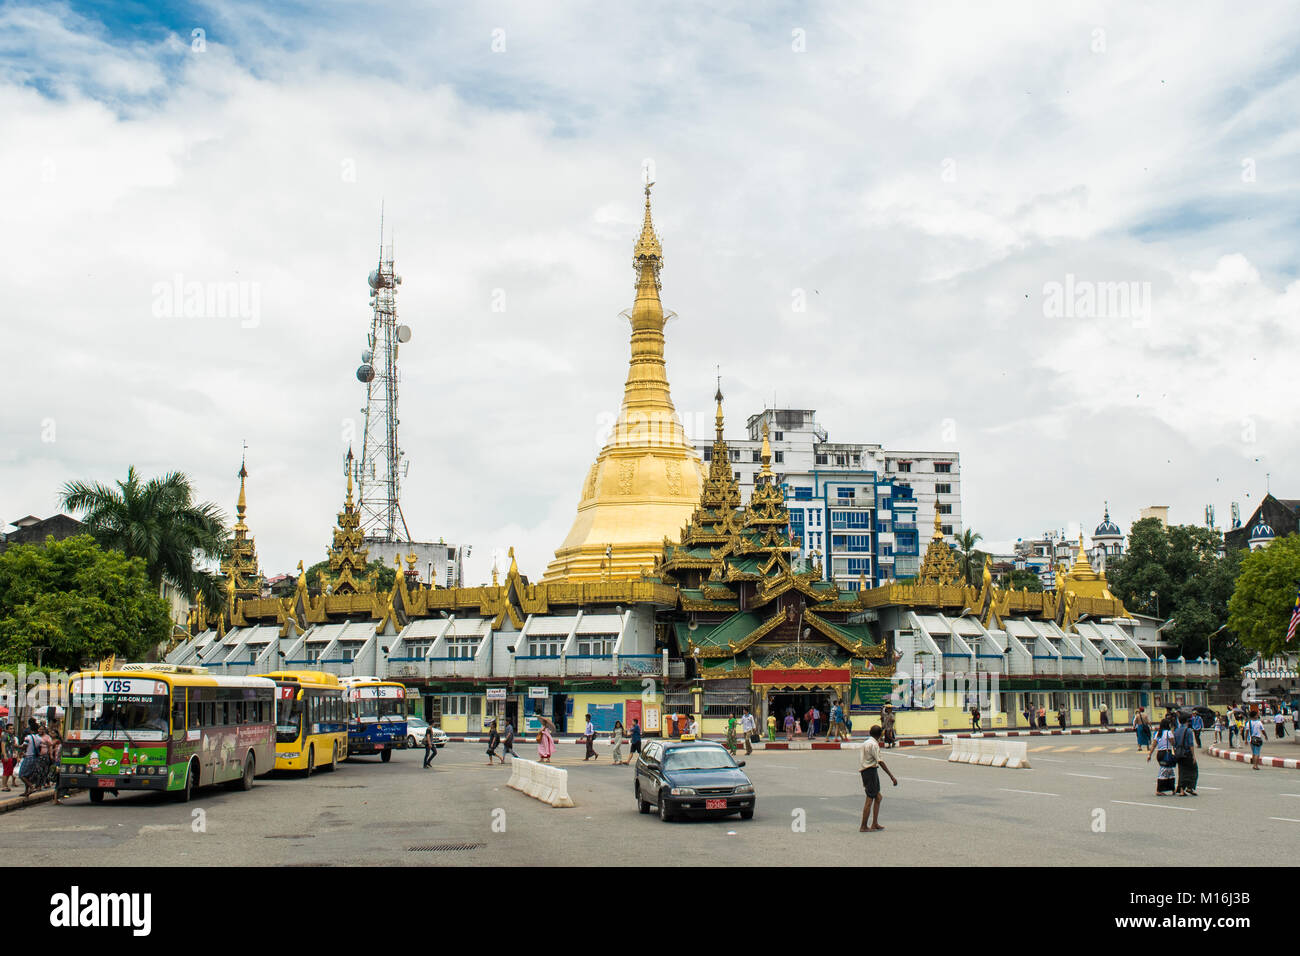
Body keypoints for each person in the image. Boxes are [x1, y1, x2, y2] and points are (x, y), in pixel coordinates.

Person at [858, 724, 898, 832]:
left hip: (867, 771)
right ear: (880, 735)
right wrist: (891, 776)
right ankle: (863, 826)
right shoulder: (874, 745)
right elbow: (880, 761)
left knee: (878, 797)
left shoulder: (866, 743)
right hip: (870, 771)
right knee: (869, 799)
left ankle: (874, 823)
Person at [1147, 716, 1176, 796]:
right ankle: (1159, 790)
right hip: (1166, 753)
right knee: (1164, 771)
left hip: (1160, 754)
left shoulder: (1157, 733)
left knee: (1169, 771)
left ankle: (1173, 789)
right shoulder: (1168, 733)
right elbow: (1173, 743)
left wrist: (1149, 754)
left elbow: (1153, 745)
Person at [1172, 713, 1198, 796]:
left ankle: (1182, 790)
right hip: (1187, 753)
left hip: (1179, 753)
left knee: (1182, 771)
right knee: (1193, 770)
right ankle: (1190, 787)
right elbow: (1190, 744)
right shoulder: (1188, 730)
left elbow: (1174, 743)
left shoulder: (1176, 731)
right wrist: (1193, 755)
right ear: (1187, 721)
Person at [1, 722, 15, 792]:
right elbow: (3, 745)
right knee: (6, 771)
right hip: (6, 755)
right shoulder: (5, 736)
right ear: (6, 730)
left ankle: (6, 784)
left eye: (12, 729)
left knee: (9, 771)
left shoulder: (11, 736)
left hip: (10, 755)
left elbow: (12, 746)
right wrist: (5, 755)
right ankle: (3, 785)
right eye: (10, 729)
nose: (12, 730)